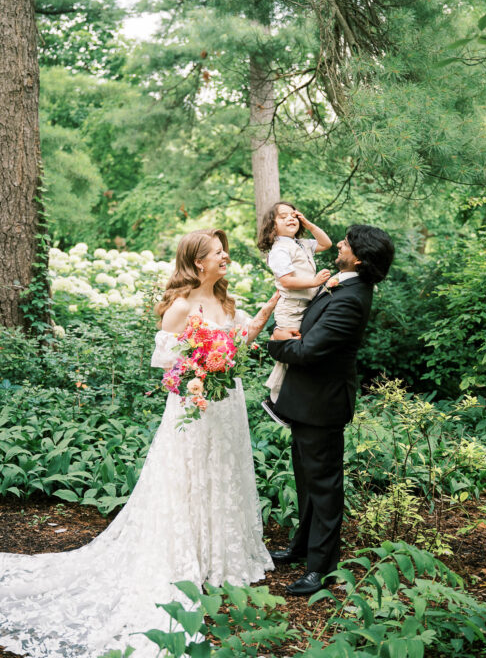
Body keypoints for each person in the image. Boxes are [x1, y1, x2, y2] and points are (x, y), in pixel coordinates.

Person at [0, 229, 279, 658]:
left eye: (225, 252)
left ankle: (217, 557)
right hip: (193, 408)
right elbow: (168, 365)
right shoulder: (182, 306)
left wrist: (269, 310)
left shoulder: (226, 302)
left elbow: (240, 344)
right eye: (218, 253)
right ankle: (185, 558)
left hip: (228, 404)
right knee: (187, 477)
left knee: (223, 474)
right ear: (197, 262)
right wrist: (199, 372)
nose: (226, 257)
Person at [265, 224, 394, 596]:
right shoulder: (342, 282)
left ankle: (320, 569)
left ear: (359, 256)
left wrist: (276, 342)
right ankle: (301, 548)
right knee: (306, 482)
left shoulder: (352, 297)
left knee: (324, 488)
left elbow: (308, 351)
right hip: (307, 401)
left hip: (323, 404)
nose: (339, 243)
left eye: (346, 242)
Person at [255, 201, 333, 416]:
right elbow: (287, 281)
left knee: (298, 353)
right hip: (290, 308)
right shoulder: (279, 249)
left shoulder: (301, 243)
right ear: (272, 225)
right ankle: (276, 401)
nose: (290, 219)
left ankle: (284, 401)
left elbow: (326, 243)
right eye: (283, 216)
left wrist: (308, 224)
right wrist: (316, 282)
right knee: (291, 353)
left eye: (293, 215)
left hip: (305, 307)